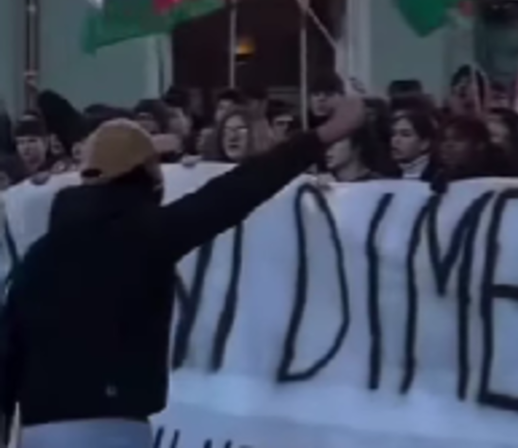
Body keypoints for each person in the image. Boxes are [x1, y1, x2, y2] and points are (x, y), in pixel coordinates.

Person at [0, 95, 368, 448]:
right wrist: (321, 136)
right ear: (148, 177)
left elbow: (7, 357)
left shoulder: (38, 258)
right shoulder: (149, 234)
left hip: (40, 430)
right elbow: (238, 189)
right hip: (116, 426)